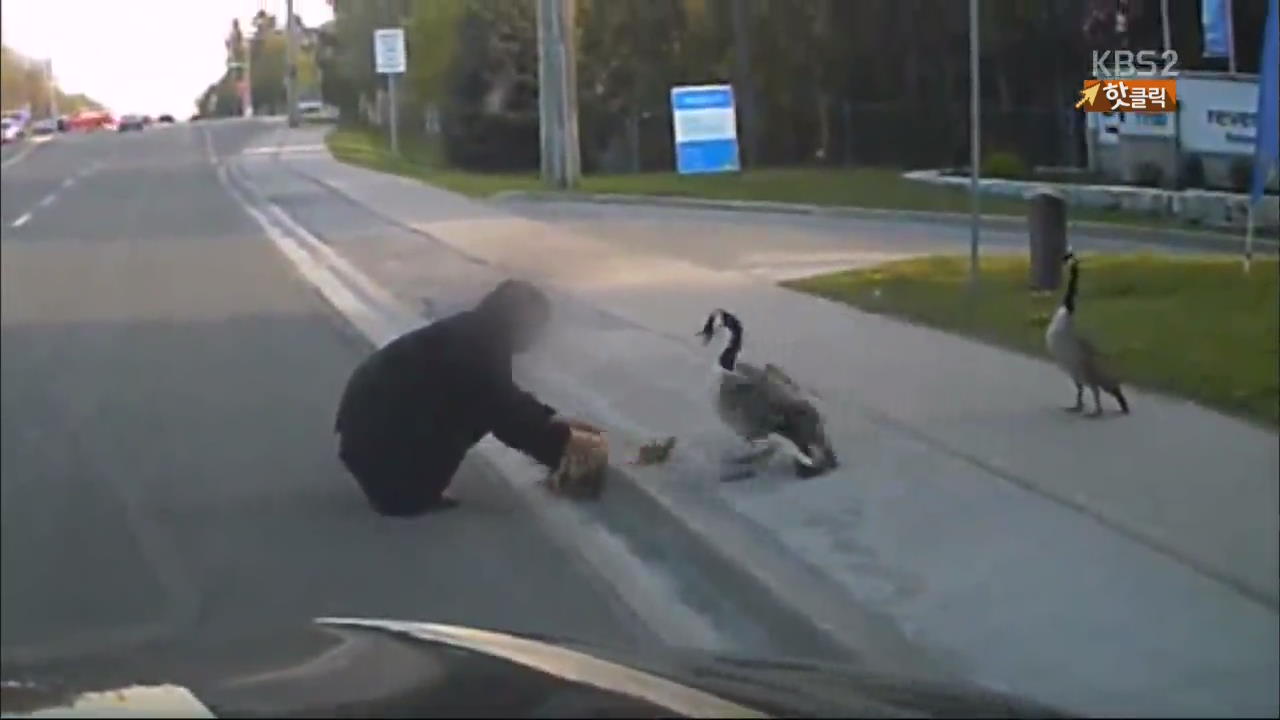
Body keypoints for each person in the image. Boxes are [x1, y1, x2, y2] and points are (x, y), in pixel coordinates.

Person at [334, 279, 604, 516]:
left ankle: (402, 487)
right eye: (537, 327)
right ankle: (406, 493)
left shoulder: (470, 333)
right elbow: (507, 414)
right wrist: (564, 447)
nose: (538, 337)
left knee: (477, 405)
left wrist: (550, 419)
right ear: (519, 322)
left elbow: (500, 397)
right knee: (478, 411)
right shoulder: (478, 348)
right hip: (381, 452)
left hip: (366, 439)